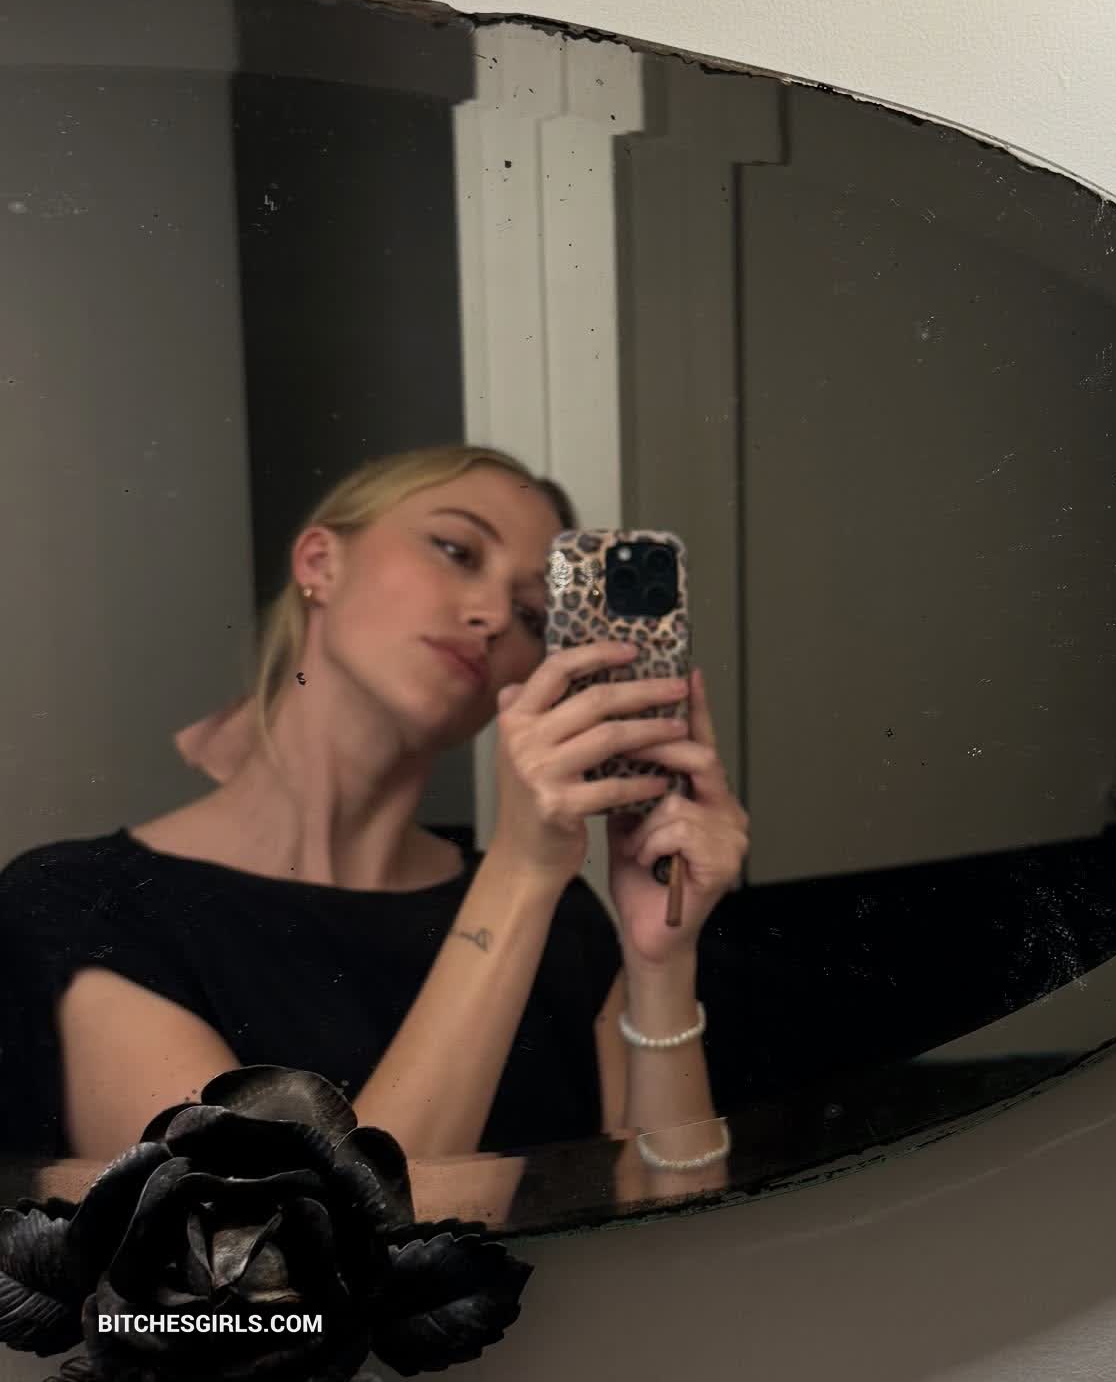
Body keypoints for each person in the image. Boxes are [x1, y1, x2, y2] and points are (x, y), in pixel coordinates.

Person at [1, 443, 747, 1213]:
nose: (493, 616)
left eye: (531, 614)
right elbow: (273, 1253)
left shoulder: (565, 921)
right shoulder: (81, 906)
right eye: (457, 550)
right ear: (320, 562)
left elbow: (675, 1232)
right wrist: (522, 869)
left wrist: (661, 961)